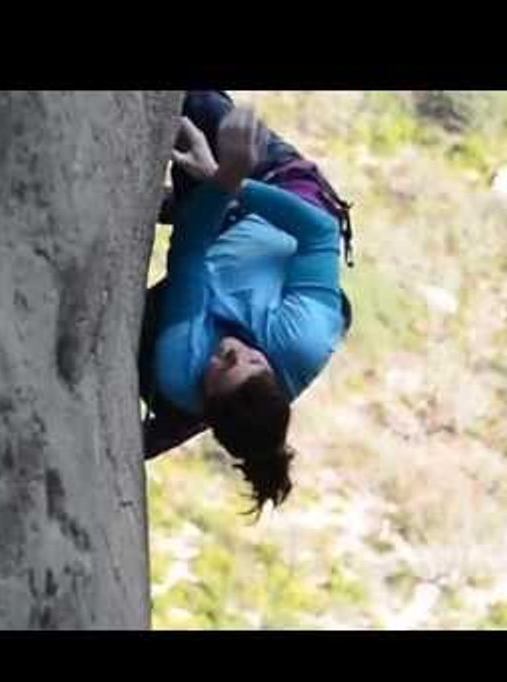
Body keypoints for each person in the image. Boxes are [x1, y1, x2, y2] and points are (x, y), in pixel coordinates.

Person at [139, 91, 353, 516]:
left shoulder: (182, 370)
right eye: (249, 362)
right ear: (270, 367)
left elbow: (190, 251)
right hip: (286, 205)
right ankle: (185, 199)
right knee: (198, 105)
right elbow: (319, 233)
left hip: (223, 252)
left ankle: (184, 200)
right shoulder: (301, 338)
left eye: (222, 368)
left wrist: (217, 185)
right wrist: (233, 177)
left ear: (207, 395)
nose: (231, 351)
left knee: (148, 354)